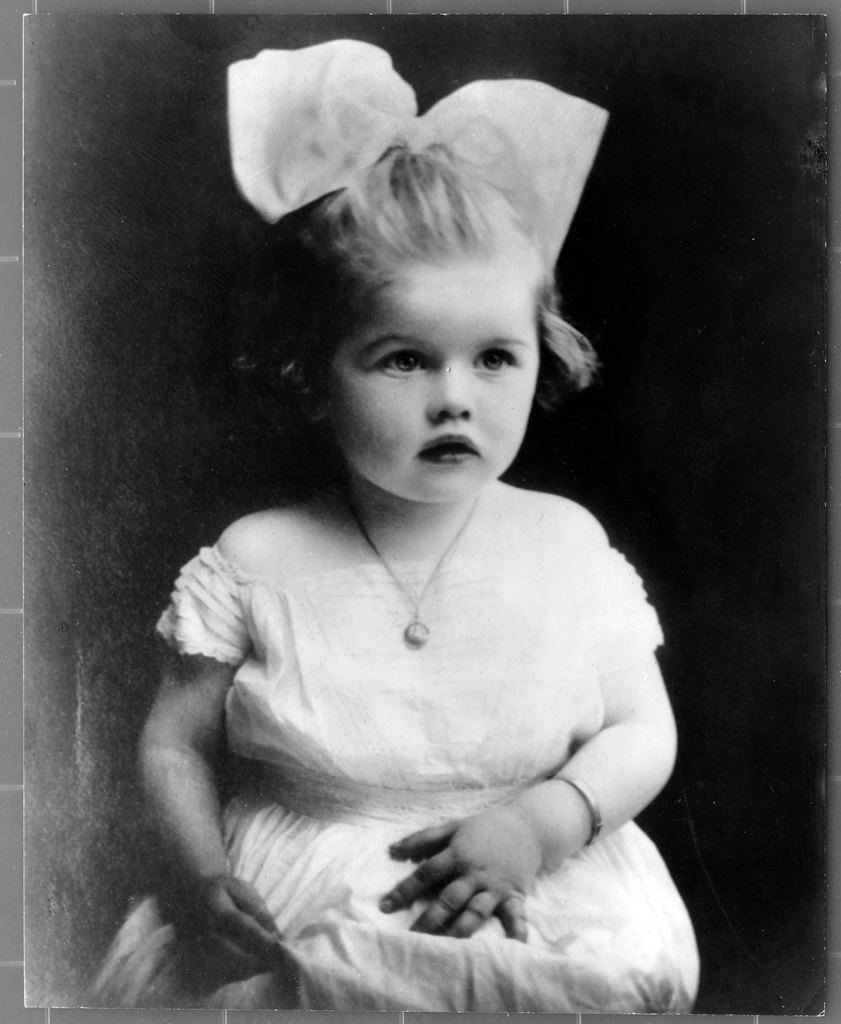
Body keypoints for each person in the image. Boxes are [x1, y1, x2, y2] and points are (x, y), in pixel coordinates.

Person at [93, 39, 699, 1012]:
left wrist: (546, 821)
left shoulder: (564, 544)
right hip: (310, 889)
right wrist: (203, 872)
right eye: (405, 360)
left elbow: (641, 726)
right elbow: (173, 743)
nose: (455, 398)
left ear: (544, 354)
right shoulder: (258, 558)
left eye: (495, 358)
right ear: (308, 368)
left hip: (538, 879)